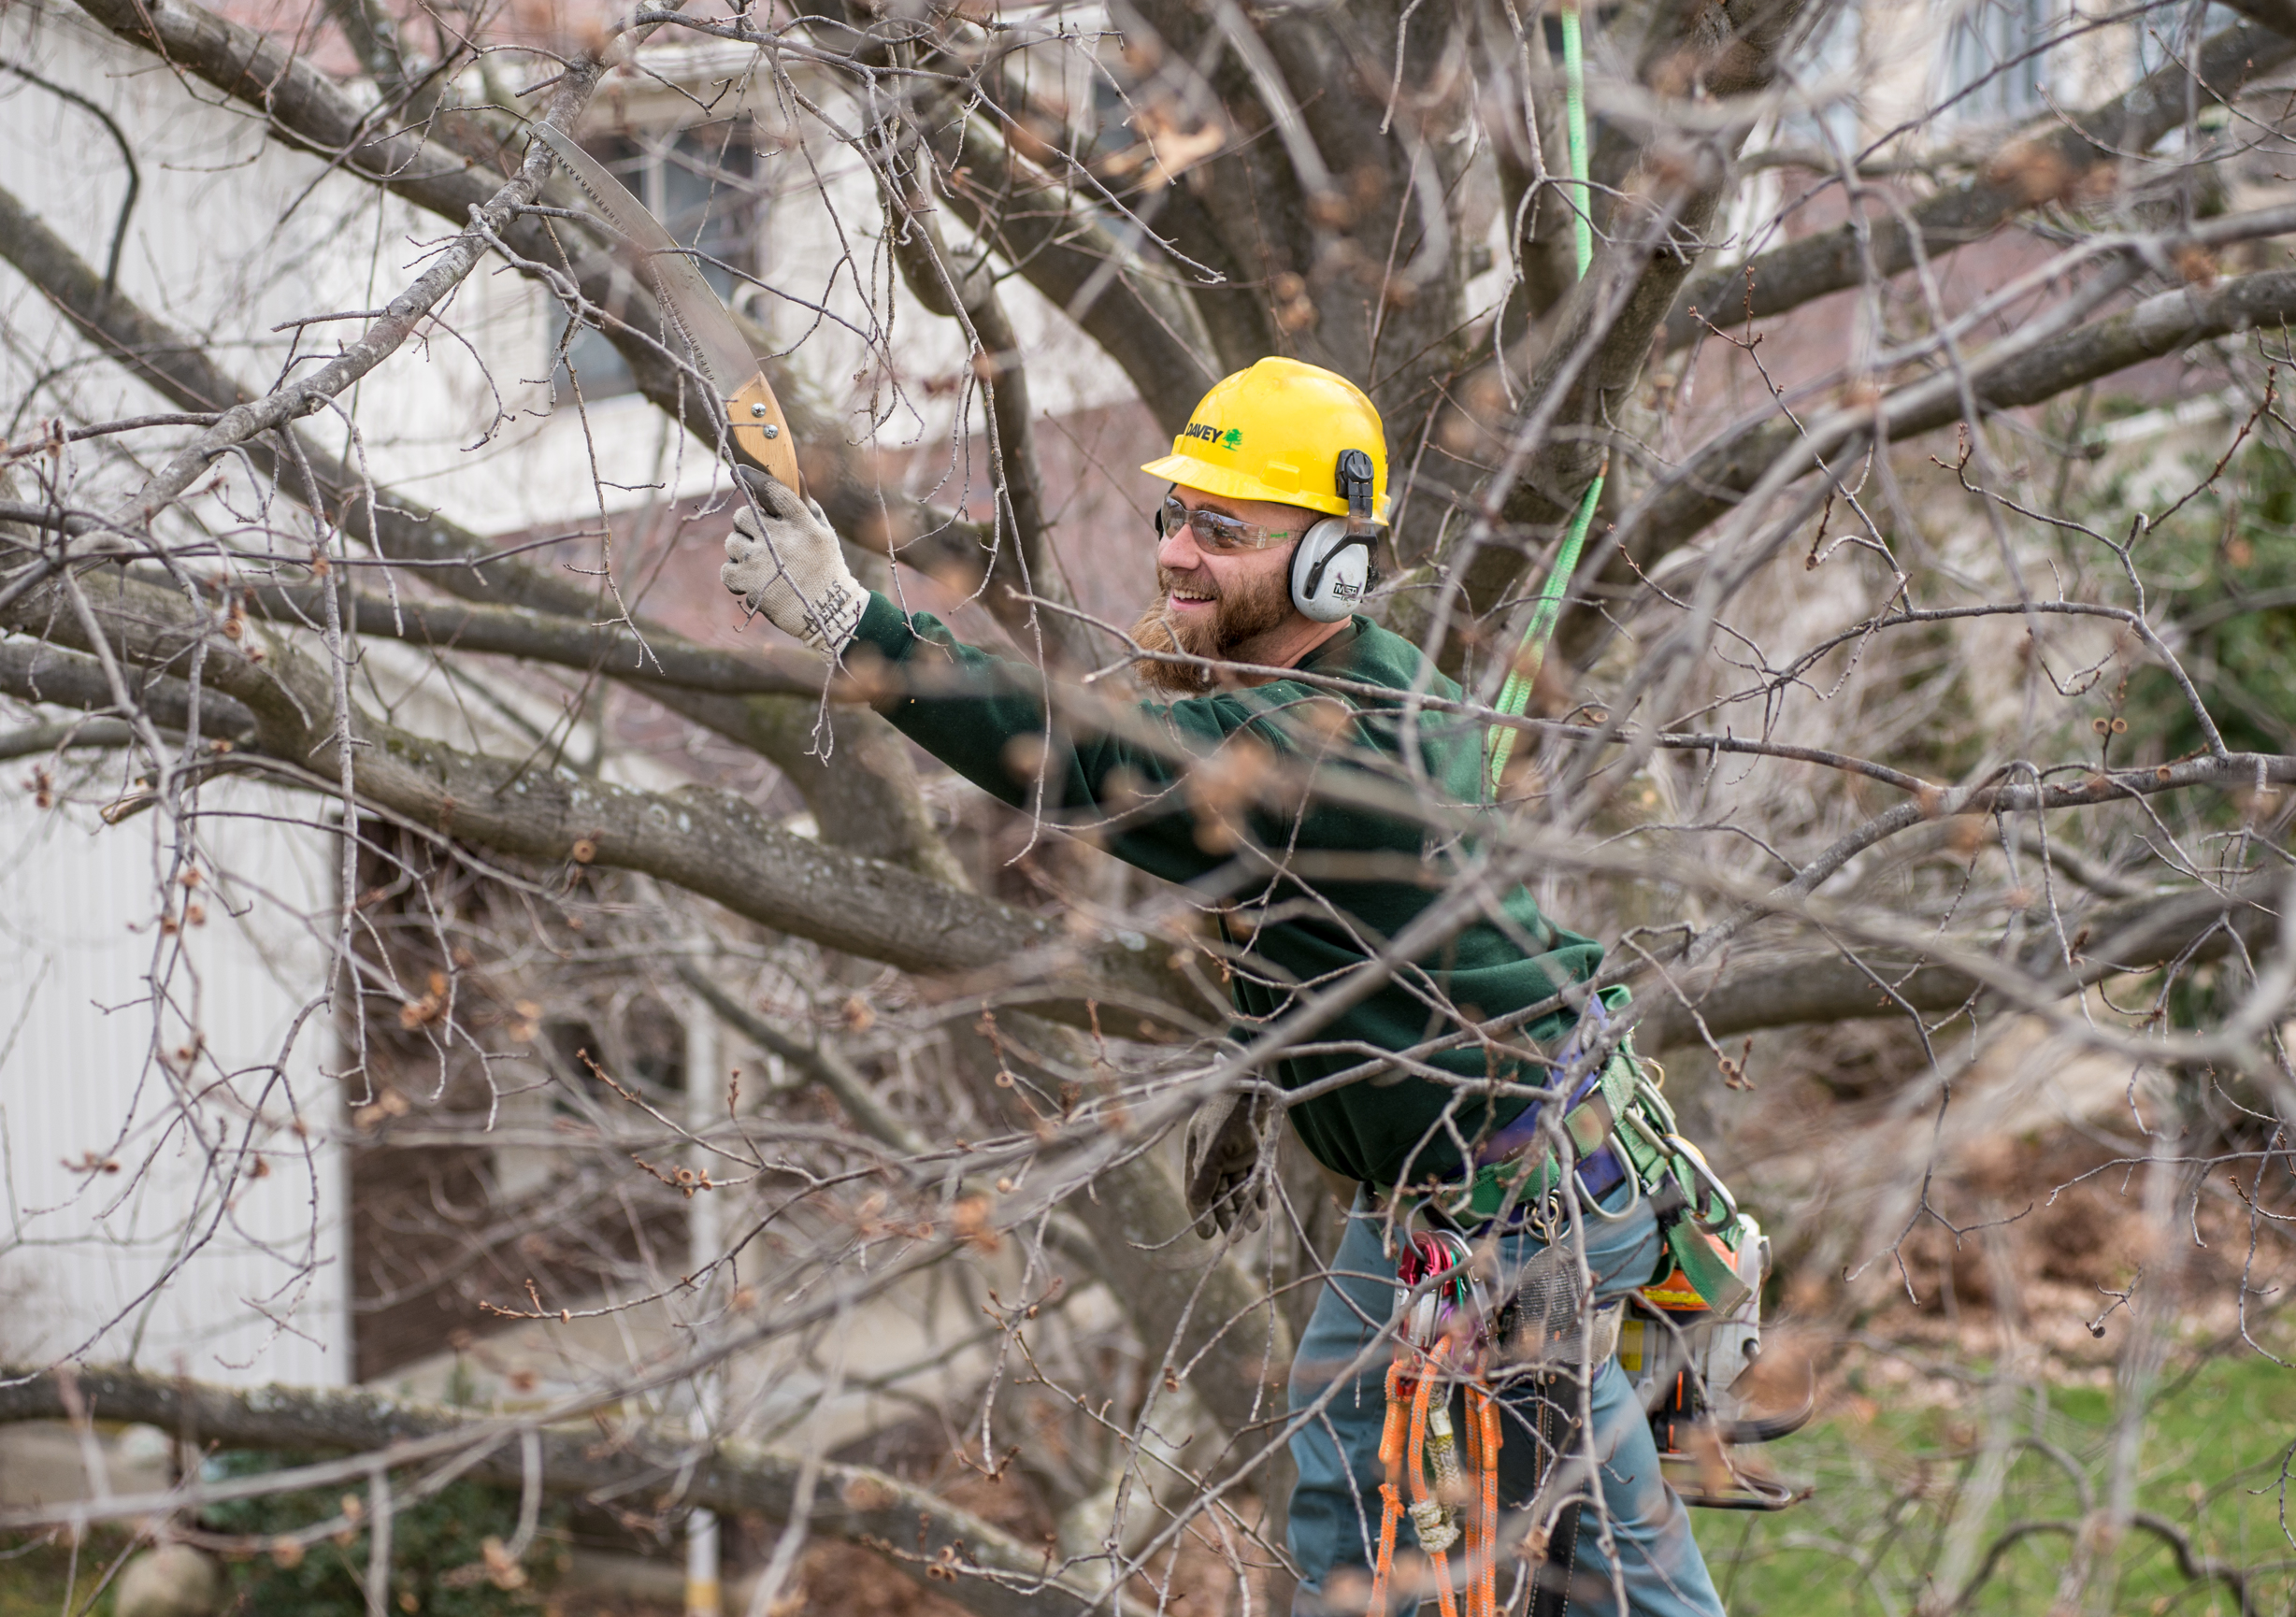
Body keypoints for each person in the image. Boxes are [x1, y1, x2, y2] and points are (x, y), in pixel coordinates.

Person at [720, 356, 1728, 1617]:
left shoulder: (1338, 747)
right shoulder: (1339, 685)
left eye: (1223, 528)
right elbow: (1328, 929)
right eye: (1173, 517)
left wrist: (855, 627)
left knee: (1617, 1582)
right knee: (1348, 1468)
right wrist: (1269, 1088)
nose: (1178, 553)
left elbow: (1094, 761)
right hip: (1441, 1191)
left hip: (1522, 1209)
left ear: (1329, 567)